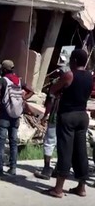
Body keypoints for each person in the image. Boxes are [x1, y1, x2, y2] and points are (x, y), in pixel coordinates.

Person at [47, 49, 92, 198]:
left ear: (73, 60)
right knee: (81, 151)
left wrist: (57, 91)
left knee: (65, 150)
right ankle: (81, 187)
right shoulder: (90, 76)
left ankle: (58, 189)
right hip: (82, 116)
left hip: (68, 116)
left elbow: (53, 90)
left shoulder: (69, 75)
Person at [0, 60, 34, 176]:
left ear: (4, 69)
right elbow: (32, 91)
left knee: (1, 142)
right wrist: (23, 99)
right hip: (16, 116)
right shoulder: (19, 80)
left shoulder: (3, 80)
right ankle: (13, 168)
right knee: (13, 142)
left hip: (5, 115)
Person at [34, 66, 70, 180]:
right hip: (68, 117)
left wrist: (45, 116)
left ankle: (46, 169)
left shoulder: (55, 85)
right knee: (62, 143)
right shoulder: (72, 85)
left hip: (55, 116)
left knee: (49, 142)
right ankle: (59, 169)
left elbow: (49, 102)